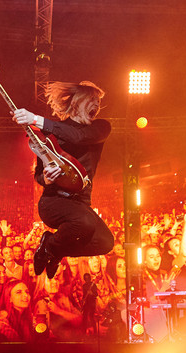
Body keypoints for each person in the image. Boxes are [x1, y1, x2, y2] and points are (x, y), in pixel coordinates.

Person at [12, 80, 114, 279]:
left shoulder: (100, 127)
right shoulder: (52, 133)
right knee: (84, 222)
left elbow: (78, 137)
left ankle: (52, 248)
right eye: (92, 99)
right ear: (77, 102)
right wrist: (47, 179)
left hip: (81, 204)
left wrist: (36, 119)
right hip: (54, 202)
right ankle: (51, 246)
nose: (97, 105)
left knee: (105, 242)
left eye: (99, 102)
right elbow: (39, 174)